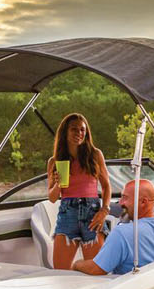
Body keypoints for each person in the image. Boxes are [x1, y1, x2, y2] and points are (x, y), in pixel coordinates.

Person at [46, 112, 111, 270]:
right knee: (60, 273)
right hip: (67, 213)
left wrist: (104, 210)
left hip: (92, 214)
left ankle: (78, 269)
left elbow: (107, 186)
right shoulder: (55, 161)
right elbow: (52, 198)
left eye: (82, 130)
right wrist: (59, 184)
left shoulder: (95, 155)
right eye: (74, 129)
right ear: (65, 132)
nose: (79, 133)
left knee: (96, 271)